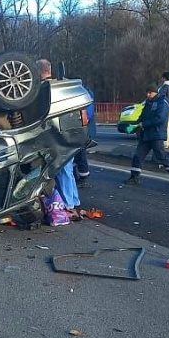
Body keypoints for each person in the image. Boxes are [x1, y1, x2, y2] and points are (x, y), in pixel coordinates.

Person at [38, 58, 82, 220]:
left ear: (40, 71)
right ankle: (73, 201)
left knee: (62, 169)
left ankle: (67, 204)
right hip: (70, 133)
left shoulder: (44, 89)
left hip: (55, 135)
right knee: (67, 169)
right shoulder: (62, 86)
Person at [124, 84, 169, 186]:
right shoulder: (148, 102)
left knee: (161, 156)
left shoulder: (162, 103)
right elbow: (143, 116)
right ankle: (134, 177)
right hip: (146, 134)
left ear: (155, 92)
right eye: (147, 92)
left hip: (156, 134)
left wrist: (144, 124)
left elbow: (160, 119)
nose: (148, 95)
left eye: (150, 92)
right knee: (138, 155)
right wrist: (136, 125)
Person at [73, 85, 95, 188]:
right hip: (81, 130)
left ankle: (83, 177)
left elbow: (87, 117)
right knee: (78, 154)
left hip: (82, 131)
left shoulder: (85, 97)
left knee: (80, 154)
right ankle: (80, 176)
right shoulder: (85, 94)